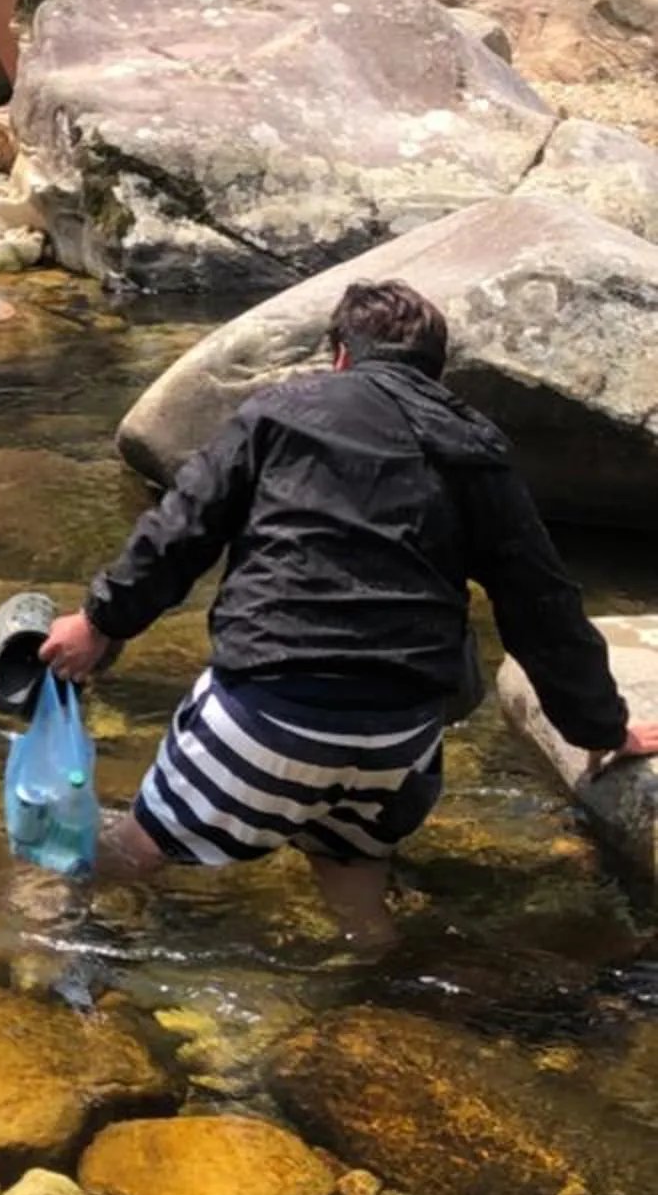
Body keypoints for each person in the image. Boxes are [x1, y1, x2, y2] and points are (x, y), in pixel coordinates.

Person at [38, 279, 656, 945]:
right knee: (355, 880)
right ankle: (379, 991)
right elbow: (542, 601)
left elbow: (181, 530)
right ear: (436, 369)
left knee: (112, 861)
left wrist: (99, 622)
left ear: (339, 355)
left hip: (268, 714)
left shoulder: (278, 410)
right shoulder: (476, 446)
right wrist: (601, 728)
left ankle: (30, 958)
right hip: (400, 739)